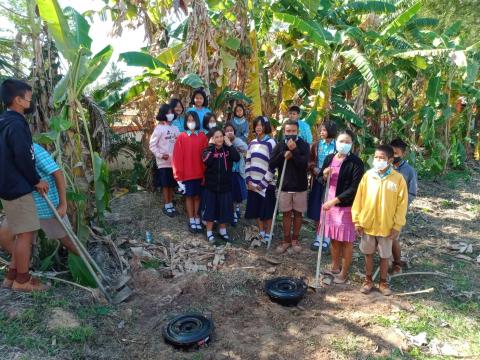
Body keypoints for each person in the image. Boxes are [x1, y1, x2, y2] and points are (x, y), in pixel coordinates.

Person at [0, 143, 80, 276]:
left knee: (69, 242)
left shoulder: (34, 149)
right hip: (22, 206)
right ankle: (26, 268)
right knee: (4, 236)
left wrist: (63, 204)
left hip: (46, 206)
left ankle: (90, 266)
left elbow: (57, 173)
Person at [0, 79, 49, 292]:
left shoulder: (3, 121)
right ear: (18, 100)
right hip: (17, 186)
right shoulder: (18, 124)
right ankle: (23, 281)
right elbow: (23, 156)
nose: (31, 101)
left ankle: (11, 277)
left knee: (22, 233)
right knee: (26, 235)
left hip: (7, 184)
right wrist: (36, 180)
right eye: (28, 98)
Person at [352, 145, 408, 296]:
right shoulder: (368, 176)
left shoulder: (398, 179)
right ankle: (368, 280)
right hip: (368, 223)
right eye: (376, 157)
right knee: (368, 253)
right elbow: (359, 199)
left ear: (390, 160)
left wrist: (397, 225)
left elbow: (402, 205)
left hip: (387, 226)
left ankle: (383, 282)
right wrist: (357, 220)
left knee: (384, 255)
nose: (378, 160)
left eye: (382, 158)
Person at [318, 130, 364, 283]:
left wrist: (334, 201)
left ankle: (344, 273)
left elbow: (354, 188)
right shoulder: (330, 158)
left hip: (344, 206)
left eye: (347, 142)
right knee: (333, 237)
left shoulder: (356, 162)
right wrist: (324, 174)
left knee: (346, 240)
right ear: (336, 141)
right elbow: (320, 179)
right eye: (341, 141)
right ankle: (335, 266)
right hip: (328, 203)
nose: (343, 144)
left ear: (352, 144)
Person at [269, 120, 310, 254]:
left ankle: (295, 240)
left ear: (297, 131)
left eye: (293, 131)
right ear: (284, 132)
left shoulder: (303, 145)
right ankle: (286, 240)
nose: (290, 134)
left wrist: (294, 151)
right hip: (284, 186)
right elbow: (272, 163)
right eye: (288, 131)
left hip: (300, 186)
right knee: (286, 214)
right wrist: (283, 155)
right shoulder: (280, 144)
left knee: (298, 214)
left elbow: (304, 165)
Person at [201, 127, 240, 242]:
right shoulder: (208, 150)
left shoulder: (228, 150)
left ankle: (222, 230)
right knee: (210, 209)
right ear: (212, 139)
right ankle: (209, 232)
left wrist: (230, 145)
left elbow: (237, 158)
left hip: (225, 186)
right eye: (216, 137)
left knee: (224, 209)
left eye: (221, 136)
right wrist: (212, 147)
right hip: (211, 186)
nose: (219, 139)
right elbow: (207, 161)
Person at [172, 111, 208, 233]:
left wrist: (205, 173)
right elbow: (177, 157)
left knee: (197, 197)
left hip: (199, 173)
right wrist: (178, 177)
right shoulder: (181, 137)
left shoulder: (202, 136)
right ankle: (191, 218)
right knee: (189, 196)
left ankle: (197, 217)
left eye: (193, 120)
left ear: (197, 121)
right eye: (188, 120)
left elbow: (206, 157)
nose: (191, 122)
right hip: (187, 174)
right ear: (186, 122)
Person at [244, 117, 277, 244]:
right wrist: (248, 180)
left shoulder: (271, 143)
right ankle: (261, 231)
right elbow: (248, 162)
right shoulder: (252, 143)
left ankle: (269, 232)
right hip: (253, 183)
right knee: (257, 209)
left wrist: (263, 183)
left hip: (266, 183)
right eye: (256, 125)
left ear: (266, 127)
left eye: (261, 125)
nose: (258, 127)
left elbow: (273, 165)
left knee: (267, 210)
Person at [308, 121, 337, 252]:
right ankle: (318, 235)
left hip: (333, 182)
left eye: (324, 130)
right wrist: (313, 168)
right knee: (316, 208)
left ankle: (327, 237)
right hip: (319, 180)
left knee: (329, 208)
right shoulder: (316, 145)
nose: (321, 132)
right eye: (321, 130)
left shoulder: (338, 145)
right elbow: (311, 161)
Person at [390, 138, 418, 274]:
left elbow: (412, 193)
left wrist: (400, 207)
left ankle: (397, 264)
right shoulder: (384, 167)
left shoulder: (409, 171)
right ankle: (385, 261)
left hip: (398, 211)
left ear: (403, 154)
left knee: (394, 237)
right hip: (383, 209)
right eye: (391, 152)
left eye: (396, 153)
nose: (393, 155)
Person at [149, 103, 180, 217]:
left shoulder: (175, 128)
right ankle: (167, 205)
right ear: (163, 114)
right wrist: (161, 155)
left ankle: (171, 203)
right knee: (165, 185)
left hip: (174, 163)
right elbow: (152, 145)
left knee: (171, 184)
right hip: (163, 163)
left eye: (172, 112)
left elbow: (180, 143)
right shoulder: (159, 128)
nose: (170, 115)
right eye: (168, 113)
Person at [224, 122, 248, 226]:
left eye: (231, 130)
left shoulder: (238, 141)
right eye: (227, 131)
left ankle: (237, 208)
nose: (229, 132)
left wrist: (237, 147)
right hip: (229, 172)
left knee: (238, 193)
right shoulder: (223, 142)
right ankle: (233, 213)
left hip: (238, 171)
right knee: (231, 194)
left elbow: (246, 148)